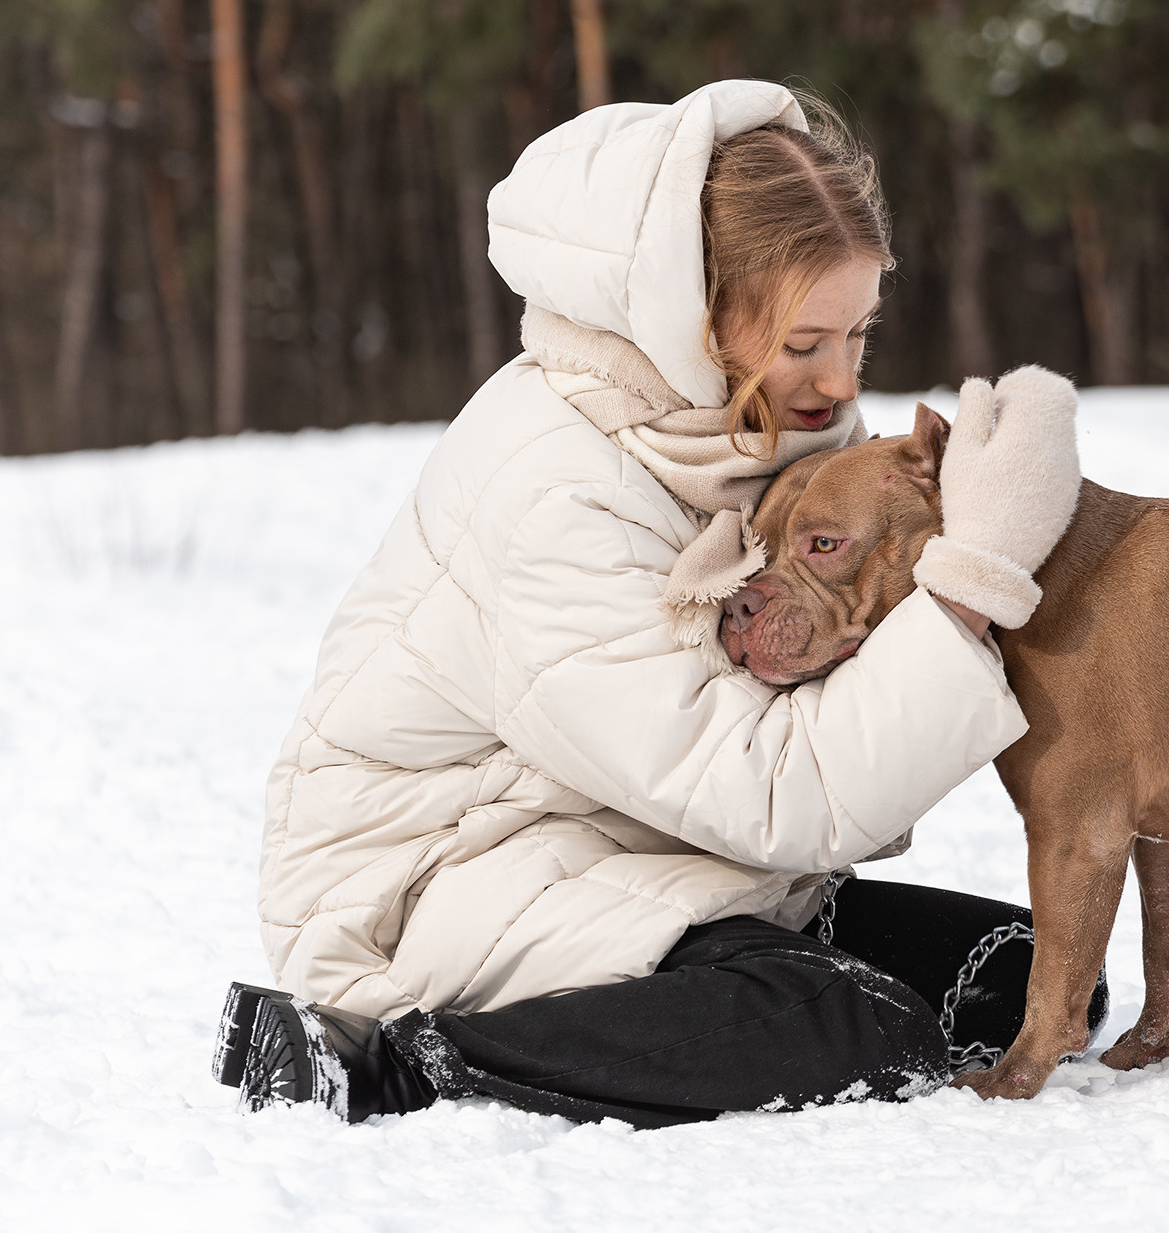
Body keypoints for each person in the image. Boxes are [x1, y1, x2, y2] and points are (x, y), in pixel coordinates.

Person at [211, 80, 1102, 1127]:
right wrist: (964, 597)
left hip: (638, 842)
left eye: (856, 334)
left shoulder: (754, 424)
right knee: (847, 1024)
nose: (836, 378)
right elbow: (765, 789)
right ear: (691, 312)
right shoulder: (556, 482)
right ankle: (385, 1064)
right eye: (803, 341)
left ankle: (717, 976)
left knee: (1034, 981)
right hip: (435, 880)